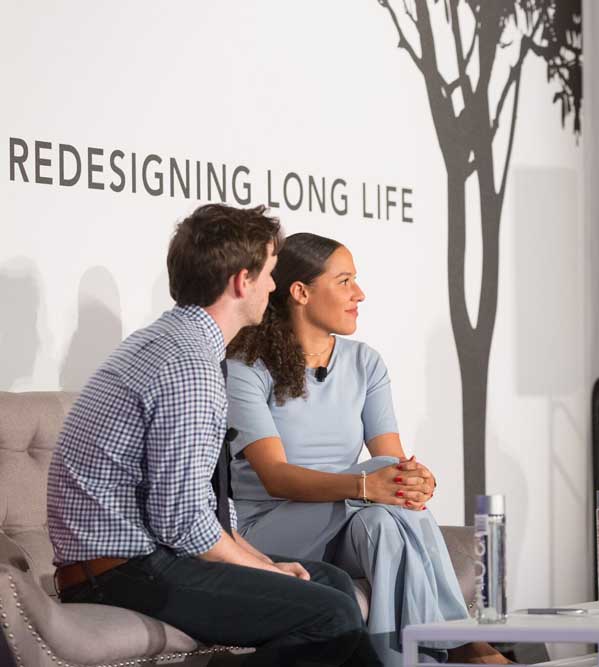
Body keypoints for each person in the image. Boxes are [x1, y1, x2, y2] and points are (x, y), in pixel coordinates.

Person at [47, 205, 380, 667]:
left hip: (145, 558)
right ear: (242, 281)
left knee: (330, 583)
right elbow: (184, 524)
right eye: (269, 273)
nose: (273, 287)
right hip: (123, 572)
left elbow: (203, 515)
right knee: (334, 614)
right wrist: (264, 567)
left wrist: (266, 565)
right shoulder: (190, 368)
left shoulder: (176, 342)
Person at [225, 232, 508, 666]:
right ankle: (467, 643)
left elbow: (392, 462)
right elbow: (275, 475)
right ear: (300, 292)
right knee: (381, 483)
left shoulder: (365, 362)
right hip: (267, 525)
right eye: (344, 281)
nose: (360, 293)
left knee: (385, 524)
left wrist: (413, 480)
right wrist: (368, 483)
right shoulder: (246, 366)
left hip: (352, 516)